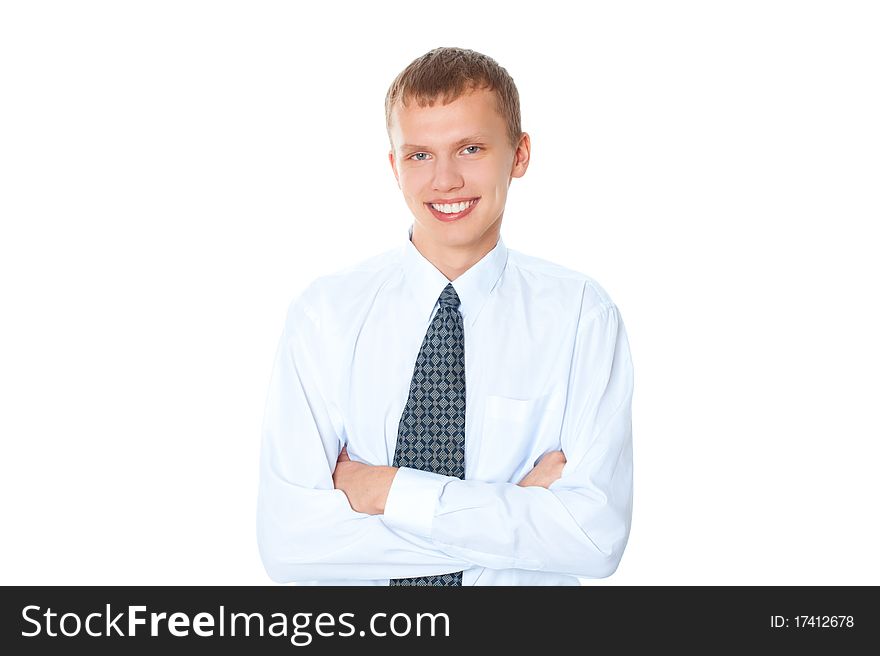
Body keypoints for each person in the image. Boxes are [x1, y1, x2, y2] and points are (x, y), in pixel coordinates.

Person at [257, 46, 634, 586]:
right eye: (419, 155)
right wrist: (512, 511)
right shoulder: (326, 315)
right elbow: (292, 549)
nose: (445, 180)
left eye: (471, 148)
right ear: (394, 165)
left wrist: (386, 492)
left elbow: (594, 540)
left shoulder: (581, 317)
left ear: (520, 154)